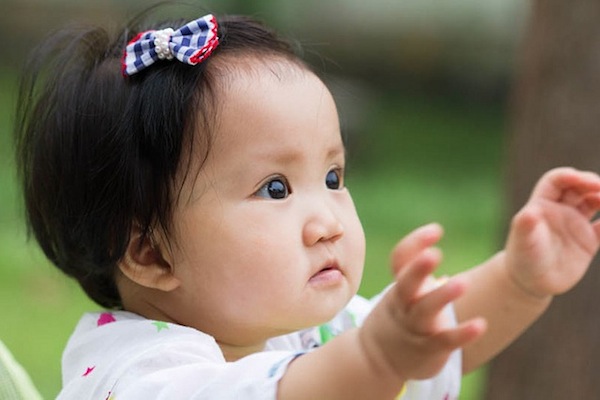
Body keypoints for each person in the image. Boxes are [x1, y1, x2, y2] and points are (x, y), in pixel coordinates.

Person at [13, 8, 600, 400]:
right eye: (276, 188)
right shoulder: (136, 375)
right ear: (151, 253)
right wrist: (377, 357)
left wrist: (519, 279)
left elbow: (440, 333)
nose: (328, 223)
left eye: (333, 176)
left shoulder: (302, 335)